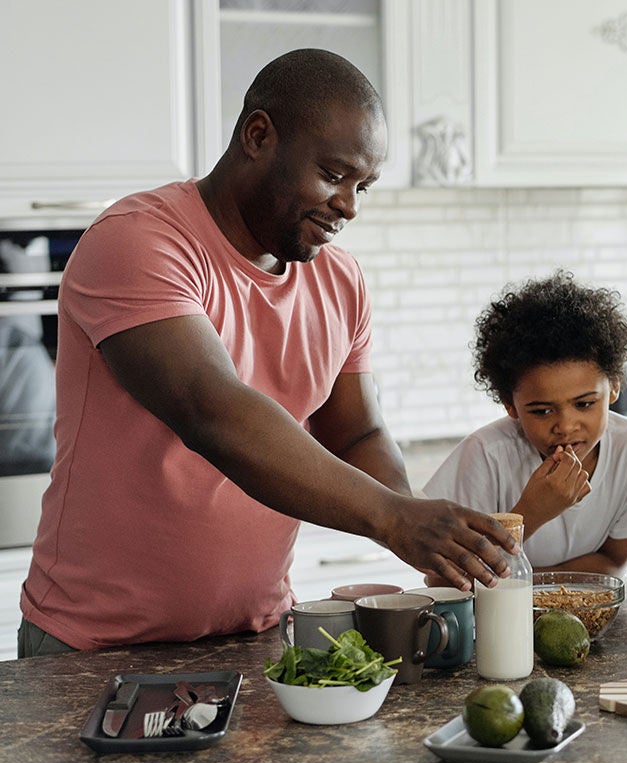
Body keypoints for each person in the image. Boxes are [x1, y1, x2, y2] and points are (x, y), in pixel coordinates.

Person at [18, 49, 515, 657]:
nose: (349, 206)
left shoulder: (339, 279)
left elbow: (357, 432)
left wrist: (421, 533)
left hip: (257, 635)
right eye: (334, 175)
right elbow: (213, 412)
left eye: (364, 186)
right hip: (95, 646)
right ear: (258, 135)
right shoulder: (138, 241)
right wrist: (393, 518)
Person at [422, 271, 627, 575]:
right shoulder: (486, 455)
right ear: (510, 404)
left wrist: (528, 585)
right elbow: (441, 579)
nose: (565, 426)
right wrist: (531, 514)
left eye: (584, 404)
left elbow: (613, 562)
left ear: (615, 386)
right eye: (541, 411)